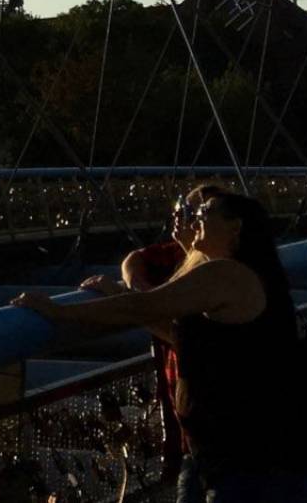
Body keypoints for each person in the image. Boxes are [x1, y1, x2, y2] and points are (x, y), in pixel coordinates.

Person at [13, 191, 307, 503]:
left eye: (207, 211)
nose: (196, 216)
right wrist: (118, 294)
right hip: (235, 459)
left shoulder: (228, 273)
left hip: (252, 467)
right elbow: (175, 327)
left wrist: (60, 312)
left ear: (235, 227)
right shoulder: (238, 274)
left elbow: (145, 307)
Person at [104, 184, 228, 483]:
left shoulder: (228, 270)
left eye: (187, 213)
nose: (177, 219)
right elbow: (134, 260)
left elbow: (190, 340)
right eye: (177, 210)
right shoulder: (174, 258)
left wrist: (133, 305)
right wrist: (140, 292)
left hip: (225, 429)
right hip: (194, 431)